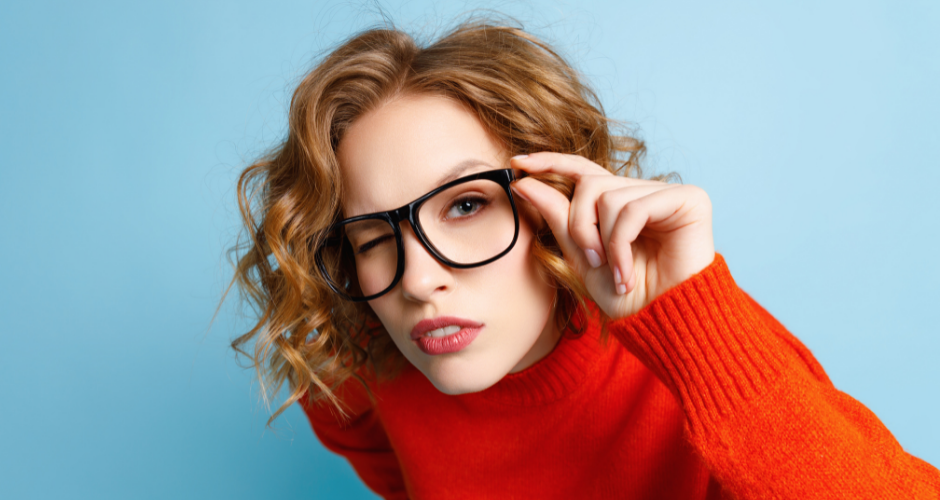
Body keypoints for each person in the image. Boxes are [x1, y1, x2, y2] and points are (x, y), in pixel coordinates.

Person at [229, 18, 940, 499]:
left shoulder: (702, 364)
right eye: (373, 237)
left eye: (467, 206)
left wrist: (699, 323)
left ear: (556, 199)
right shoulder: (362, 387)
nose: (417, 280)